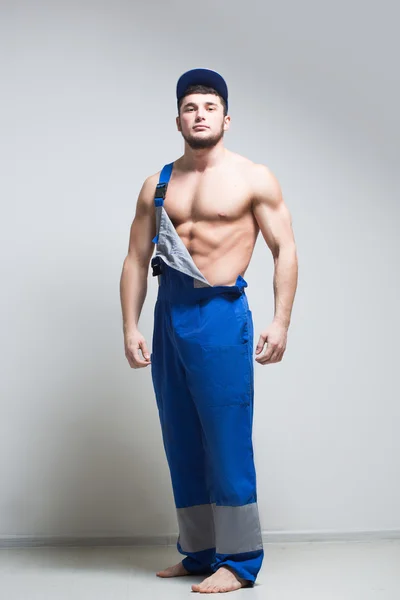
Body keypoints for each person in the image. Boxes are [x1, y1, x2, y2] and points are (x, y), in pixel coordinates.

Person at [120, 68, 298, 594]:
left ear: (226, 117)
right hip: (169, 312)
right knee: (180, 436)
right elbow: (135, 258)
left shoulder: (252, 178)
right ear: (178, 117)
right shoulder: (158, 184)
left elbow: (284, 249)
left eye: (210, 106)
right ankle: (198, 552)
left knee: (225, 439)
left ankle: (240, 562)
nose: (200, 115)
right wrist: (130, 324)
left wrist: (281, 320)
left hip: (219, 314)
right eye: (191, 107)